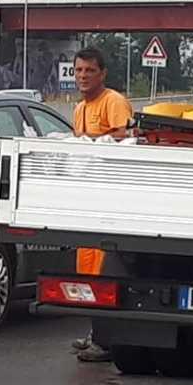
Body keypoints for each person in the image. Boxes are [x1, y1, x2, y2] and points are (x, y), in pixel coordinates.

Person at [69, 46, 133, 363]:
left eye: (89, 71)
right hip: (87, 203)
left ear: (102, 73)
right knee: (88, 270)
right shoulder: (80, 108)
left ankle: (107, 339)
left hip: (109, 204)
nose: (82, 76)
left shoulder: (113, 102)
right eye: (78, 70)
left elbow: (124, 136)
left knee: (105, 271)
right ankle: (97, 332)